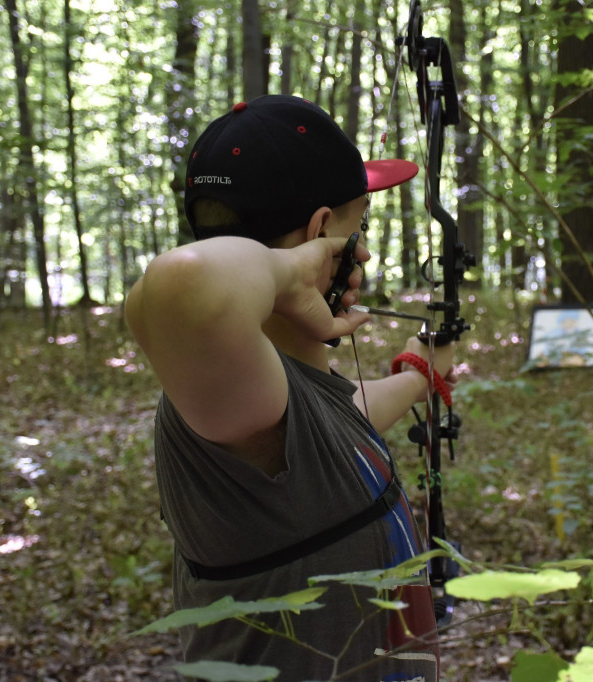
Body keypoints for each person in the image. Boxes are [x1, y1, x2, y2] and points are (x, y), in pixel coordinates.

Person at [126, 94, 453, 680]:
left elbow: (340, 420)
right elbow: (181, 283)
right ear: (323, 232)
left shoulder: (275, 391)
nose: (367, 251)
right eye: (360, 228)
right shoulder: (234, 398)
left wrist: (420, 373)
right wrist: (292, 271)